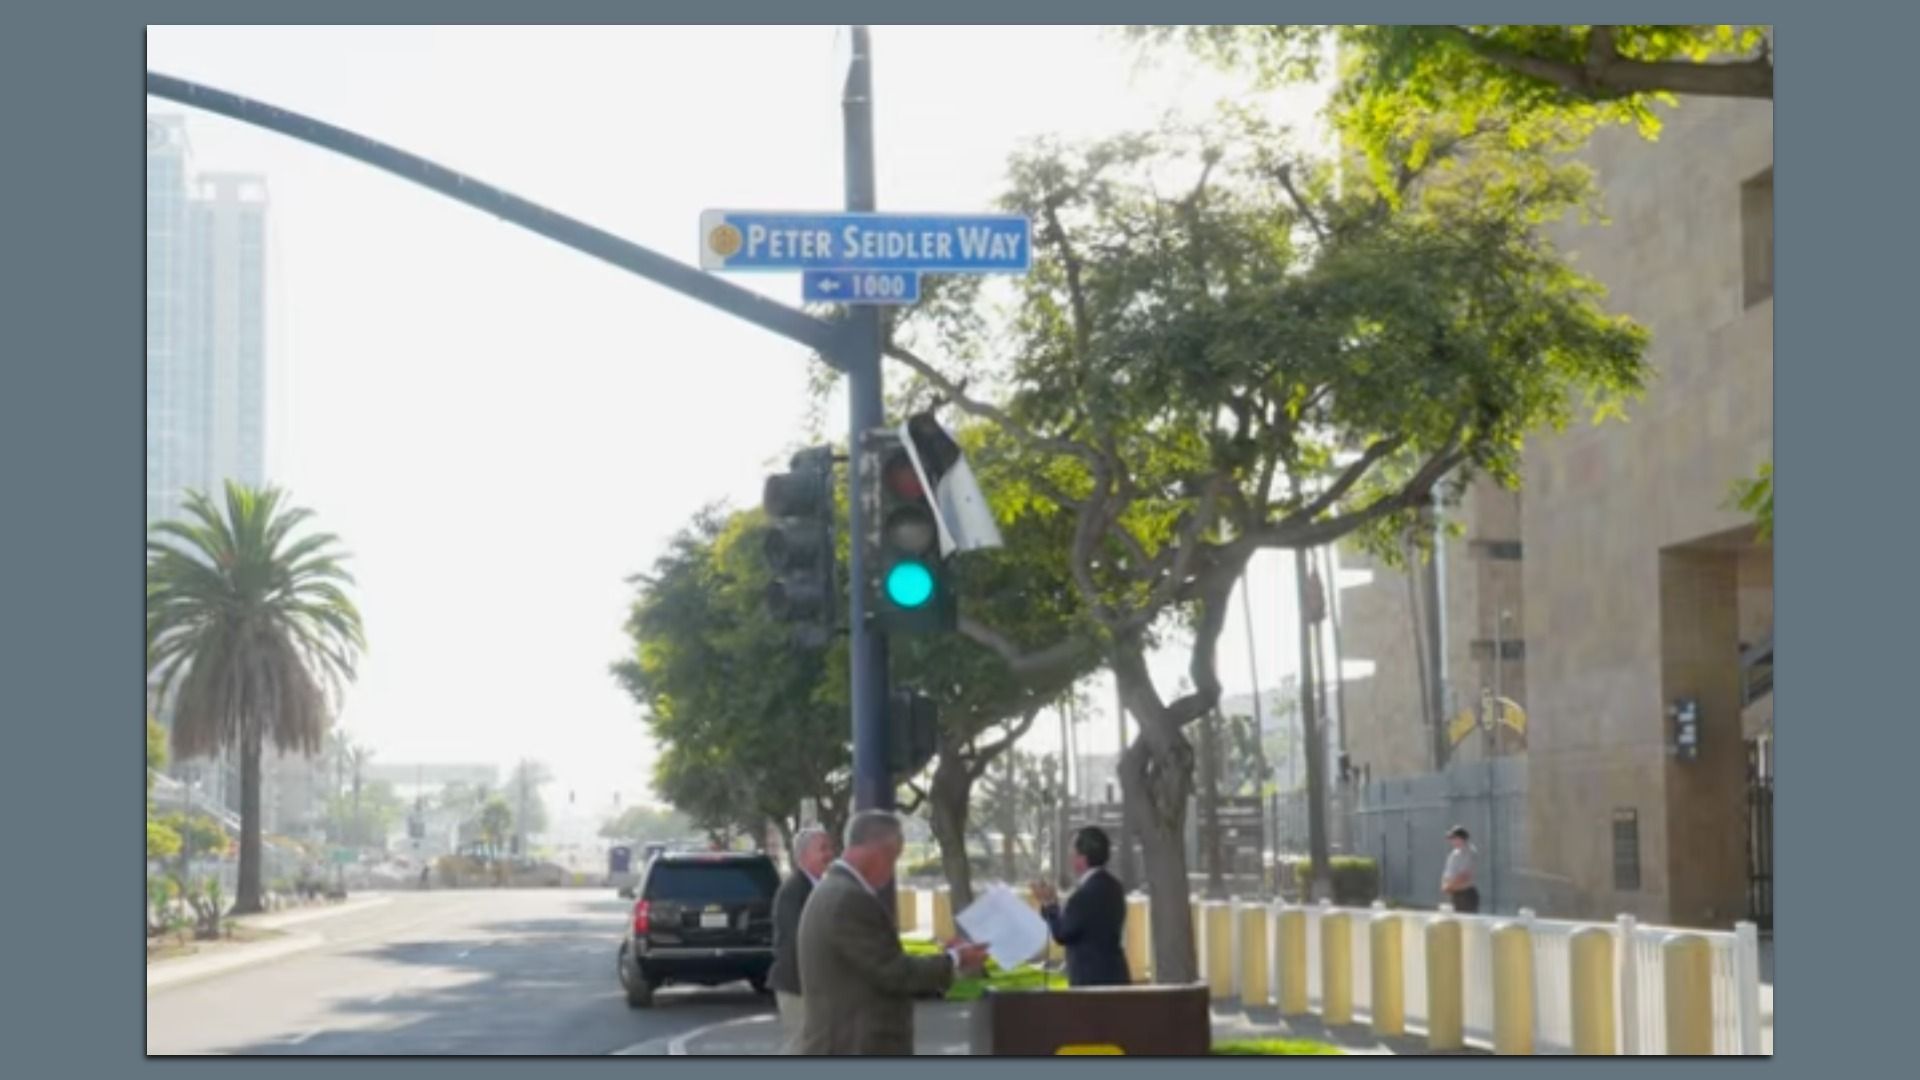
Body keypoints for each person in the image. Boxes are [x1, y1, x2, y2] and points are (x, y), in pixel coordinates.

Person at [796, 810, 989, 1055]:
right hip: (855, 1045)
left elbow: (876, 961)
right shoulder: (848, 899)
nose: (891, 871)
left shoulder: (836, 891)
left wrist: (947, 955)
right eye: (893, 858)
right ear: (880, 852)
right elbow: (893, 971)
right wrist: (956, 959)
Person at [1030, 826, 1130, 987]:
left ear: (1082, 859)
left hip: (1091, 981)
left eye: (1072, 852)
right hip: (1116, 975)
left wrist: (1049, 903)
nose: (1070, 857)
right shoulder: (1114, 887)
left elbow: (1063, 933)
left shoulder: (1085, 894)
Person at [769, 827, 834, 1053]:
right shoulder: (793, 892)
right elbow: (798, 941)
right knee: (801, 1047)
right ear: (804, 856)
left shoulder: (820, 887)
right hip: (797, 986)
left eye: (829, 848)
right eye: (822, 849)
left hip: (815, 987)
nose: (829, 854)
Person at [1440, 825, 1480, 913]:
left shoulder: (1469, 852)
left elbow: (1464, 875)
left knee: (1467, 922)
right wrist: (1445, 884)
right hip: (1454, 893)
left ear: (1461, 838)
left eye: (1453, 838)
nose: (1451, 841)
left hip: (1465, 894)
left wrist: (1449, 886)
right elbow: (1447, 872)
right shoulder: (1453, 854)